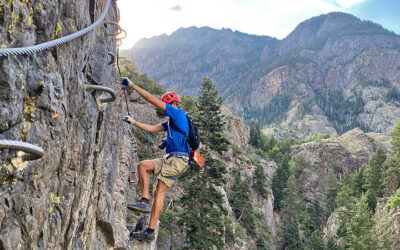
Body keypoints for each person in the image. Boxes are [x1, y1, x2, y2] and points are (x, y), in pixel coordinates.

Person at [120, 78, 190, 241]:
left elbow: (152, 99)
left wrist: (132, 85)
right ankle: (144, 200)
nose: (167, 109)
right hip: (170, 158)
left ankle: (150, 232)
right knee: (143, 165)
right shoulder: (171, 122)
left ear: (173, 104)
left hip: (178, 160)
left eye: (168, 105)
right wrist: (134, 122)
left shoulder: (178, 114)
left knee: (159, 191)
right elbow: (153, 129)